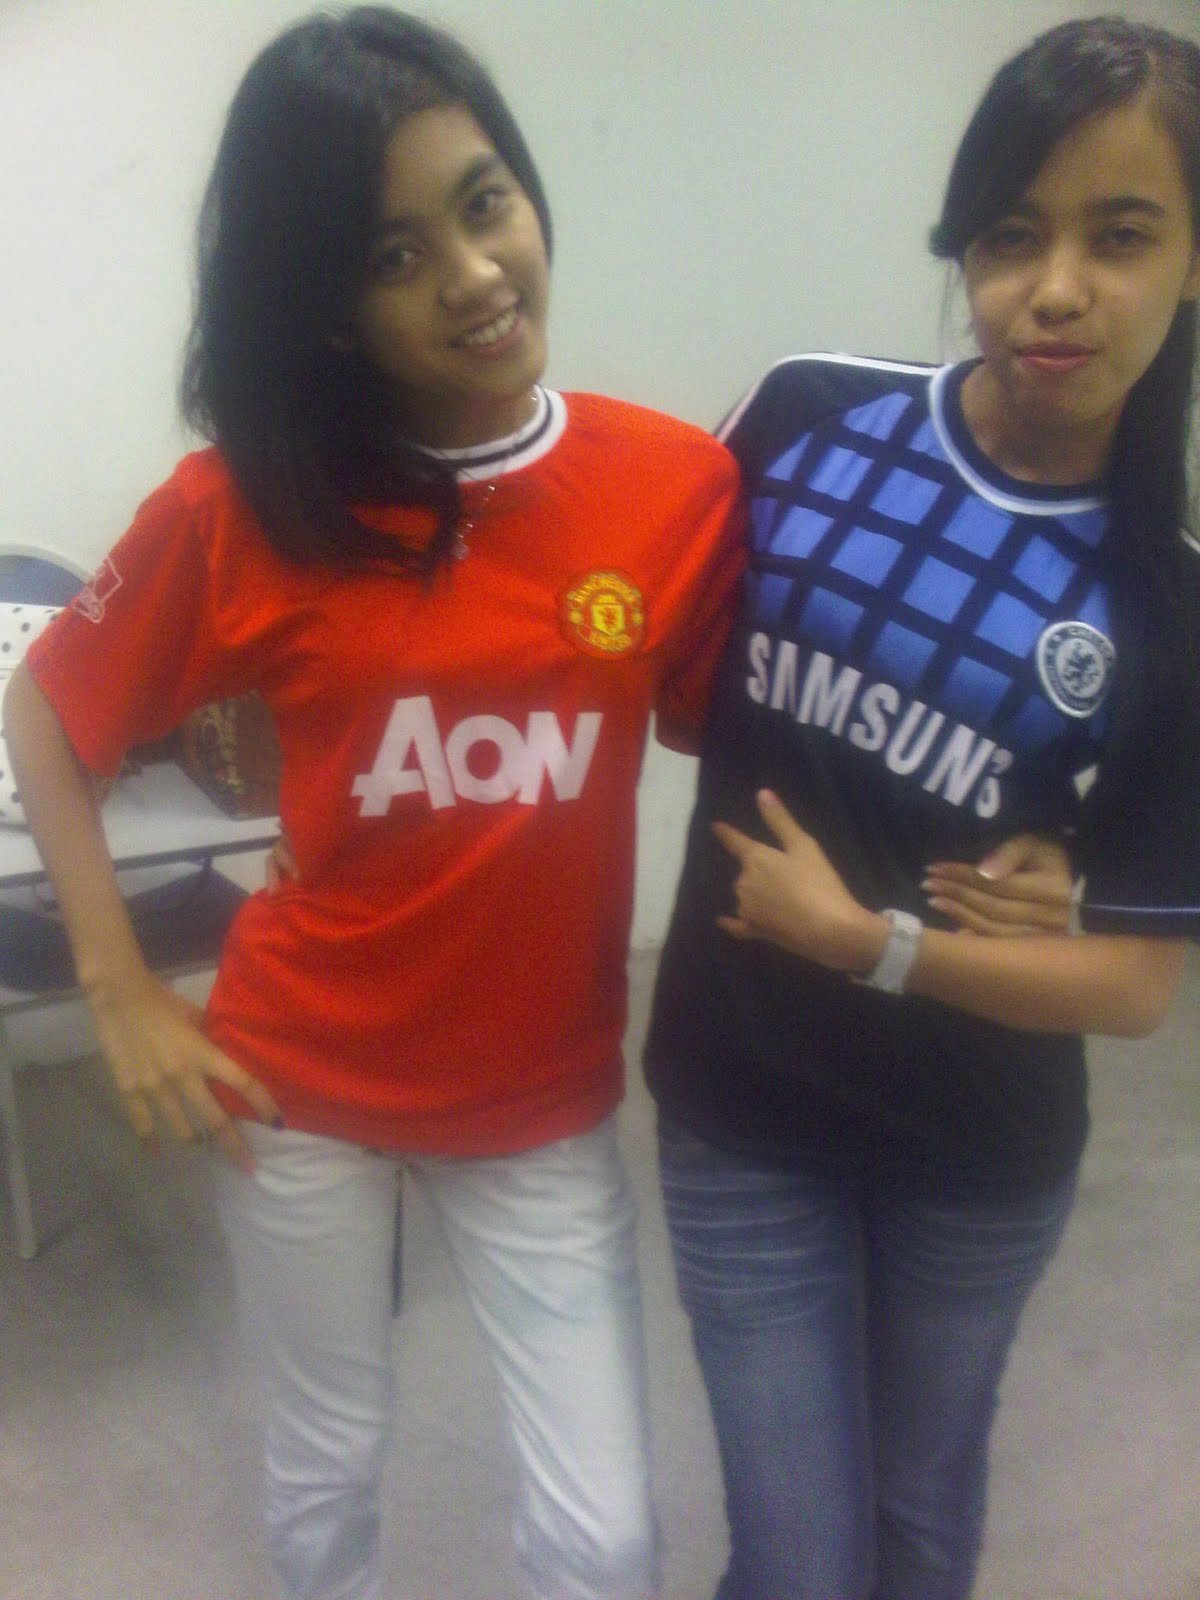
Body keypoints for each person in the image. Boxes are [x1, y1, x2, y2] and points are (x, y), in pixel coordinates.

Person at [2, 11, 747, 1600]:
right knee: (325, 1477)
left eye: (486, 204)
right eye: (394, 255)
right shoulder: (245, 505)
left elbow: (734, 720)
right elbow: (47, 709)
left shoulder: (673, 485)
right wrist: (119, 986)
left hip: (539, 1093)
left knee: (608, 1538)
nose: (473, 275)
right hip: (300, 1077)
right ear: (329, 310)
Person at [644, 16, 1200, 1600]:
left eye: (1121, 235)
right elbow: (672, 683)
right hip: (742, 1101)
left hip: (975, 1151)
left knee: (922, 1523)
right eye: (1010, 235)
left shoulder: (1173, 606)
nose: (1055, 288)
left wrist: (875, 938)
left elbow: (1137, 988)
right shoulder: (806, 414)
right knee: (801, 1560)